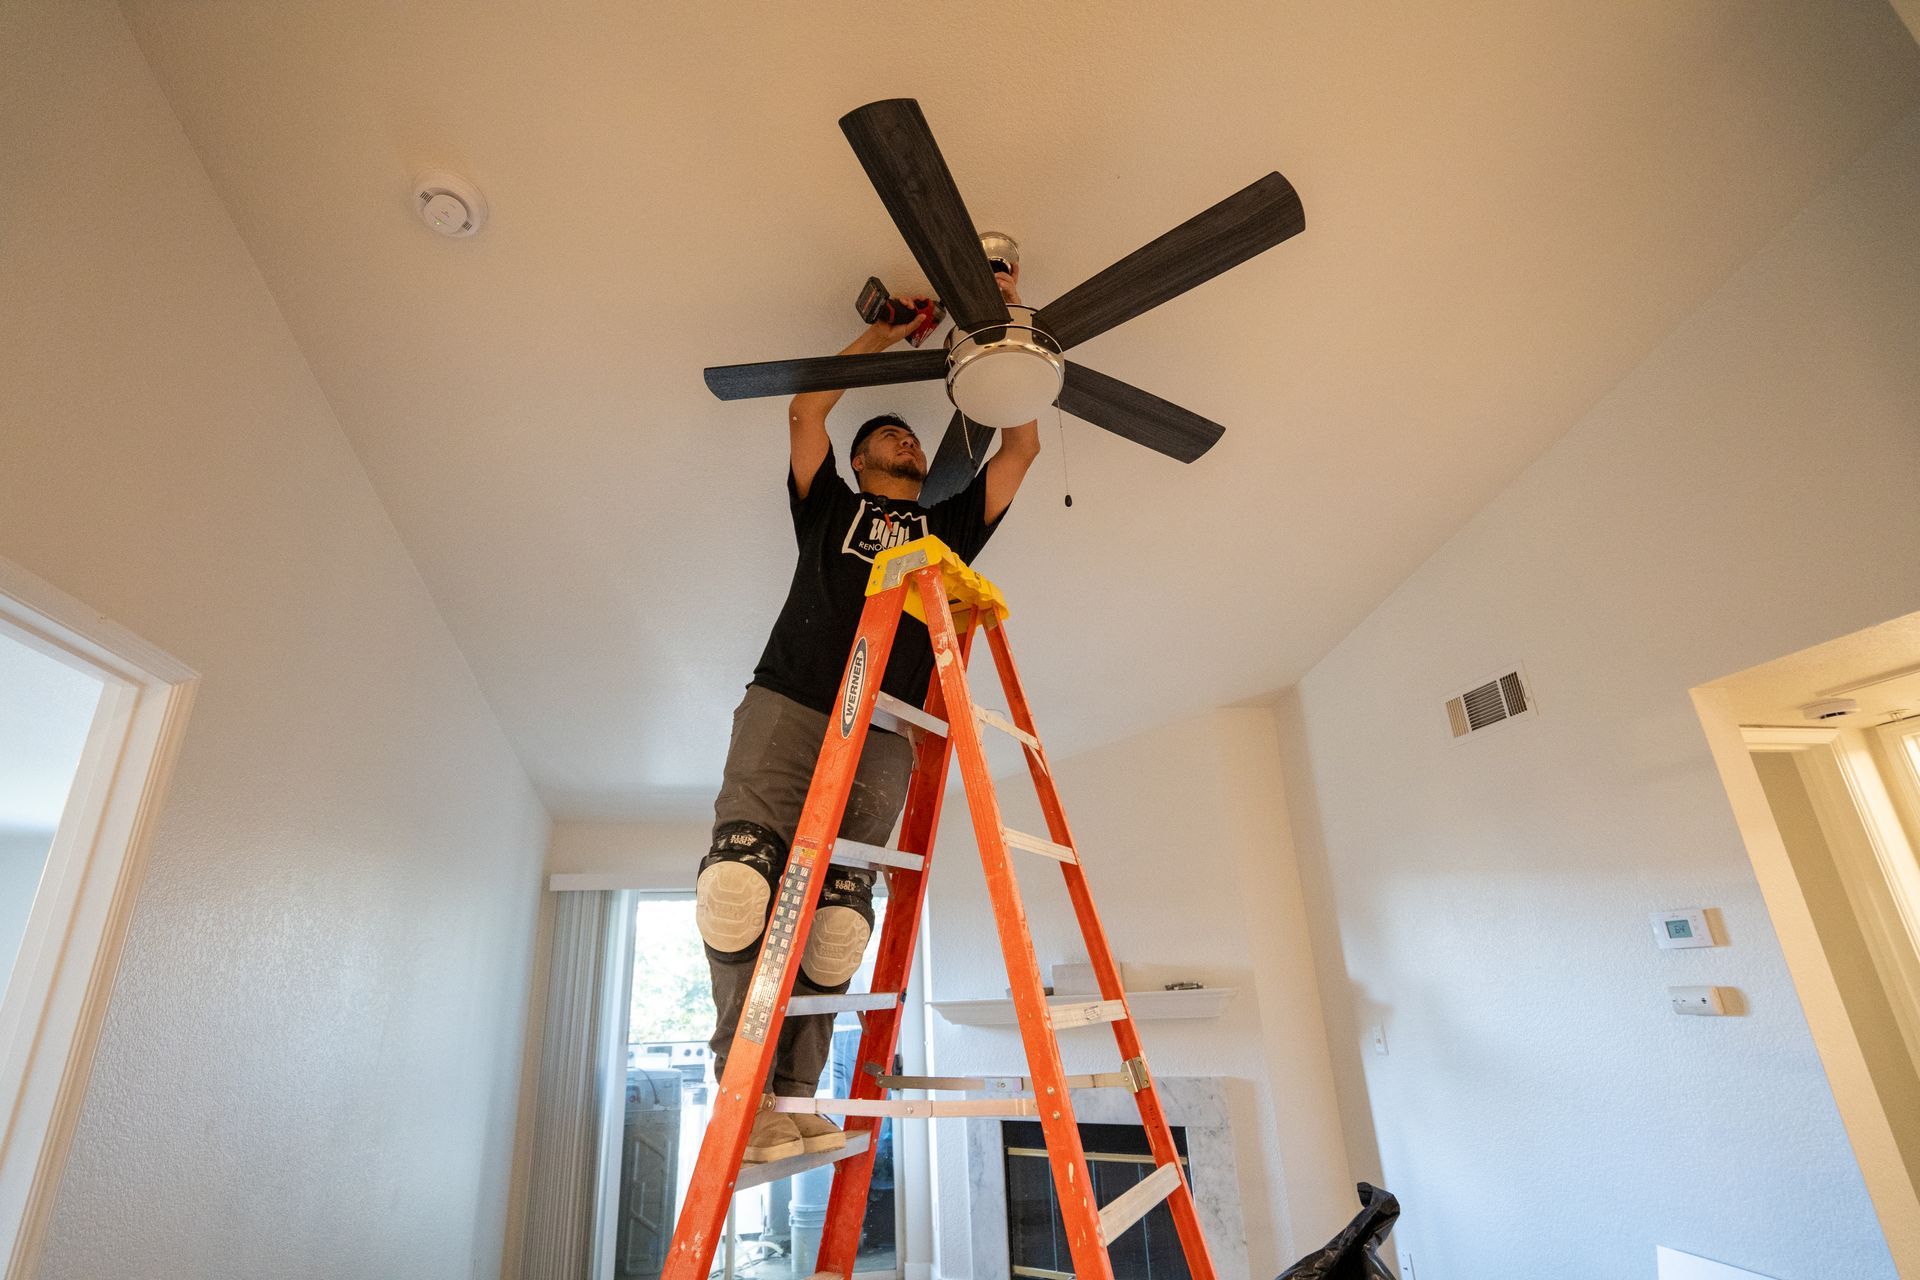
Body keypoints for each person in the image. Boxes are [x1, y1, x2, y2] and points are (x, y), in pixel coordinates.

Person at [698, 268, 1040, 1163]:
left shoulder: (950, 526)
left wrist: (1003, 340)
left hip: (884, 728)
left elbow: (1019, 449)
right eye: (884, 432)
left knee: (841, 917)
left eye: (912, 435)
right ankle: (740, 1096)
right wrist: (885, 339)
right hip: (790, 703)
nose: (902, 436)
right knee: (740, 889)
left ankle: (789, 1094)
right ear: (858, 464)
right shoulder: (829, 508)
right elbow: (805, 414)